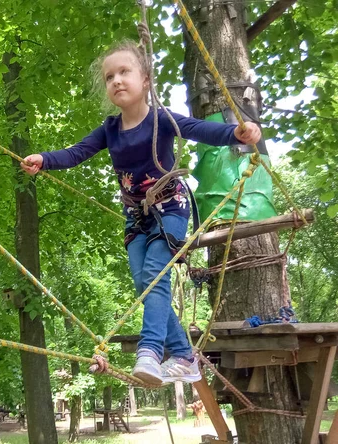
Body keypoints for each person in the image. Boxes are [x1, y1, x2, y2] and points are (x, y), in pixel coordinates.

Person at [20, 39, 261, 384]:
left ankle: (150, 352)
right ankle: (184, 356)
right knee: (144, 283)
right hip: (136, 217)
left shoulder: (162, 120)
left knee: (153, 276)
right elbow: (77, 152)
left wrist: (236, 132)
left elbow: (200, 129)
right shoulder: (110, 129)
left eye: (124, 72)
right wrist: (45, 160)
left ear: (146, 79)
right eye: (109, 77)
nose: (116, 80)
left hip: (171, 209)